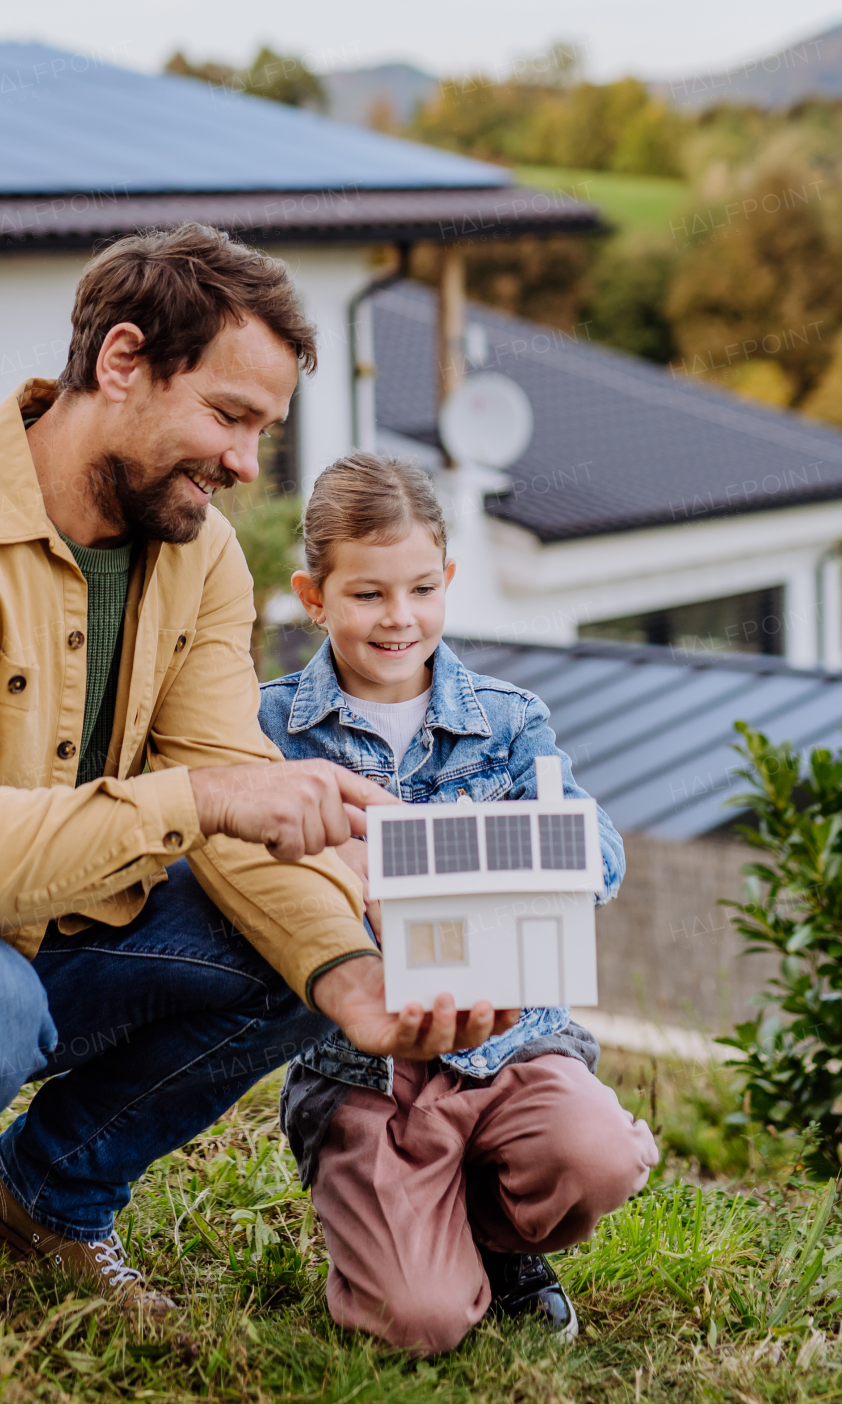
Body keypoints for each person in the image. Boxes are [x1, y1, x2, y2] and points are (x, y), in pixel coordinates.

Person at [0, 227, 504, 1340]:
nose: (244, 466)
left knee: (294, 932)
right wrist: (207, 799)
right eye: (227, 417)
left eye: (263, 430)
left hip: (34, 936)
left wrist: (351, 980)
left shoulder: (199, 552)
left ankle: (45, 1200)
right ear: (121, 362)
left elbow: (232, 788)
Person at [260, 453, 658, 1354]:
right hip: (366, 1070)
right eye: (366, 595)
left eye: (421, 588)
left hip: (509, 1041)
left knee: (600, 1156)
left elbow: (597, 847)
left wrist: (548, 854)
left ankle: (499, 1241)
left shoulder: (512, 720)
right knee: (419, 1323)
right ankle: (399, 1232)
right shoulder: (270, 729)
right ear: (314, 596)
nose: (399, 618)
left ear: (447, 581)